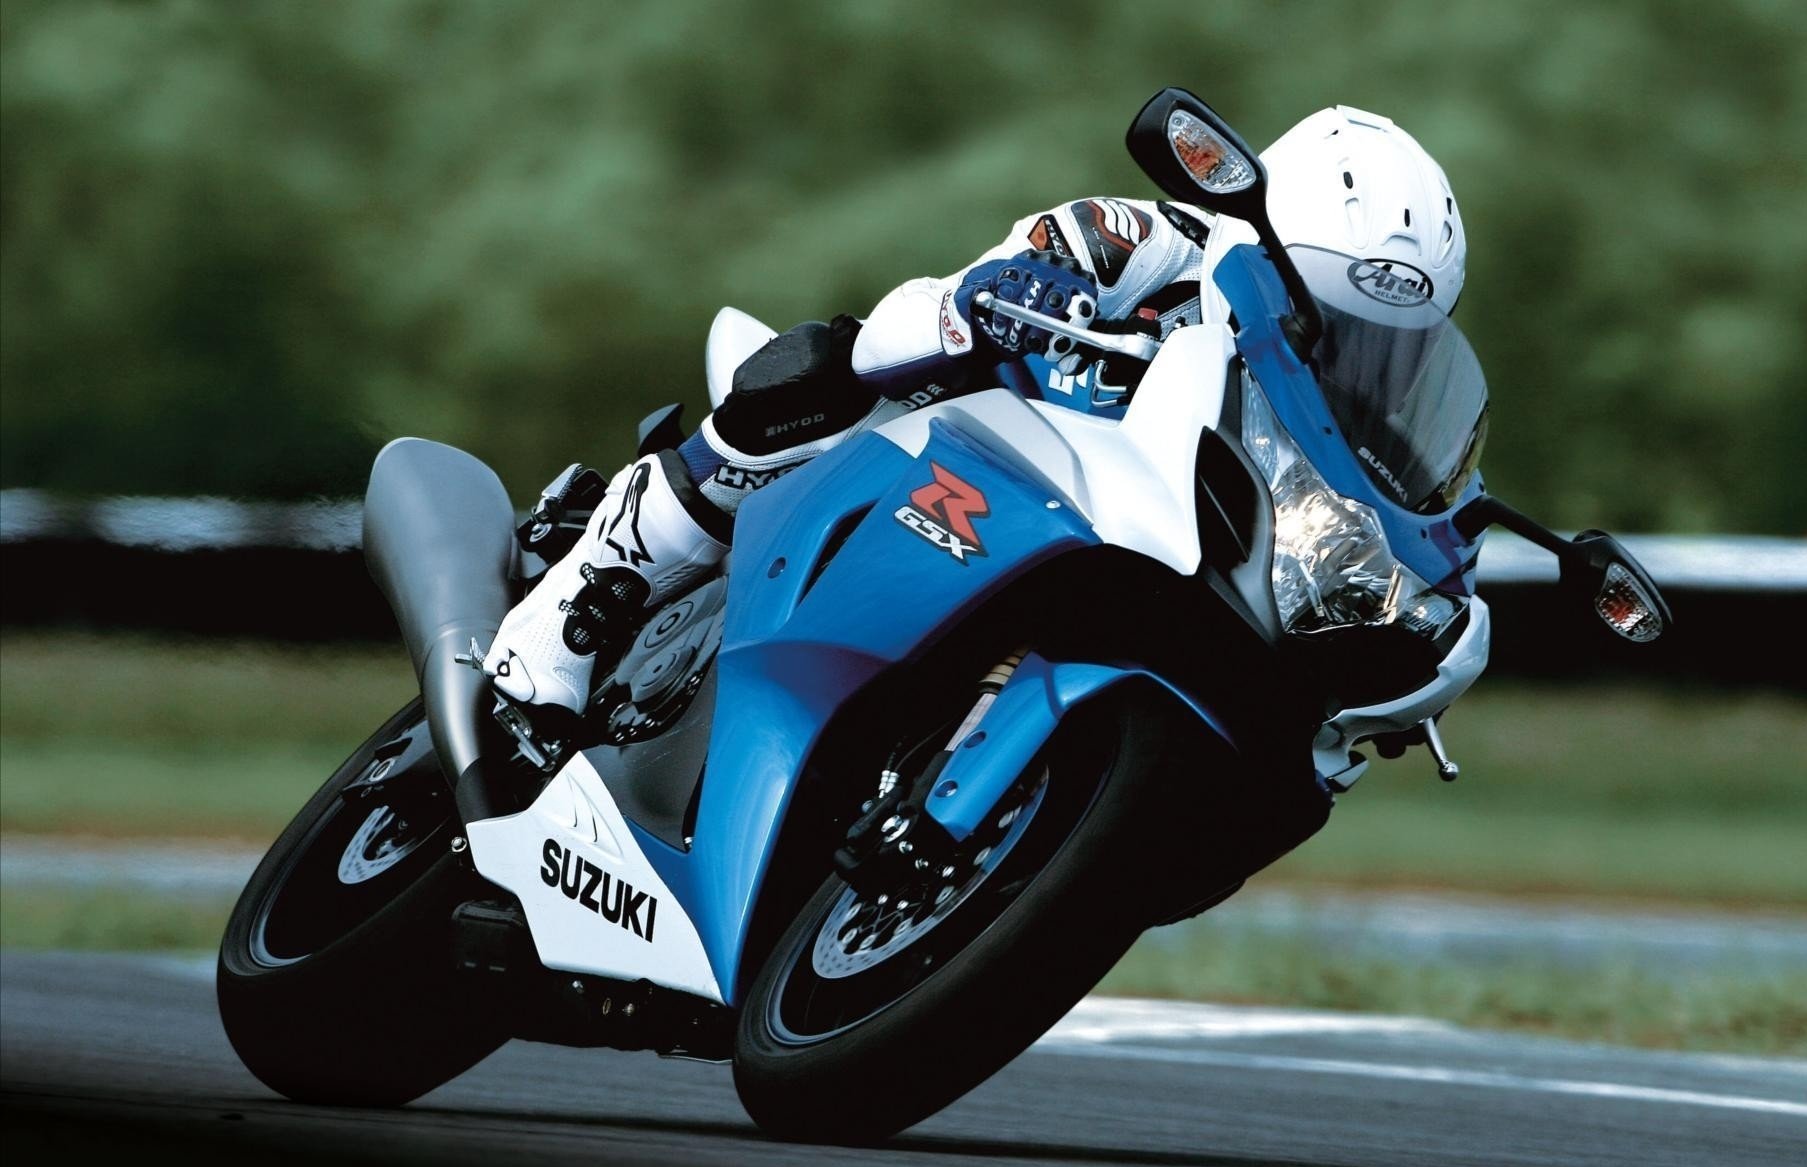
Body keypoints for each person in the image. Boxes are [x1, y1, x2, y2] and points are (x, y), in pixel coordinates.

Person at [482, 105, 1467, 714]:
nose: (1346, 350)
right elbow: (954, 300)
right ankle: (590, 589)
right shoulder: (1150, 240)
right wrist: (1017, 292)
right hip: (953, 461)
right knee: (845, 359)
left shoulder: (1365, 402)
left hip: (1114, 556)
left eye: (1381, 341)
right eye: (1325, 313)